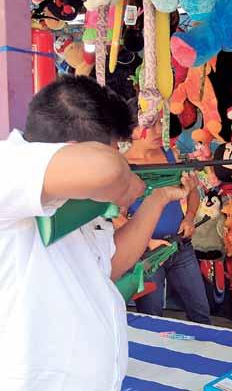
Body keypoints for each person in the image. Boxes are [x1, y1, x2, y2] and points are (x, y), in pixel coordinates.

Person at [0, 75, 197, 391]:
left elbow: (110, 265)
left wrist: (157, 200)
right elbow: (106, 169)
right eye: (115, 148)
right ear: (75, 151)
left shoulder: (75, 198)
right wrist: (122, 183)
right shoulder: (8, 164)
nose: (120, 156)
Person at [117, 108, 211, 324]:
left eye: (160, 123)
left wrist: (189, 217)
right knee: (152, 318)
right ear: (133, 130)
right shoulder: (122, 166)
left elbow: (192, 191)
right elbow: (115, 216)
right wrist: (148, 242)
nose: (160, 130)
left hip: (180, 246)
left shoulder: (171, 155)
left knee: (200, 313)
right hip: (146, 254)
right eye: (152, 125)